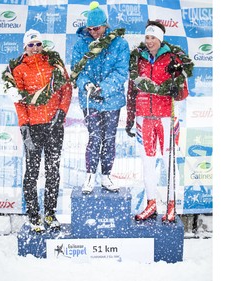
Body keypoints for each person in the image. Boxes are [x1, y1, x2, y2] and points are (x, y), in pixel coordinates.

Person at [4, 29, 72, 232]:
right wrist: (24, 126)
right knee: (32, 172)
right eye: (31, 45)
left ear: (42, 45)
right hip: (33, 127)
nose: (35, 48)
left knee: (53, 171)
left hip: (54, 125)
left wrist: (61, 112)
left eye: (38, 44)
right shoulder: (18, 70)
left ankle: (50, 214)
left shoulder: (53, 63)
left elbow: (66, 88)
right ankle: (34, 216)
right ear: (25, 47)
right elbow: (19, 102)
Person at [126, 20, 193, 222]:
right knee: (147, 163)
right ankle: (151, 203)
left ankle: (172, 204)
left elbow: (183, 93)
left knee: (168, 161)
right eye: (147, 37)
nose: (149, 41)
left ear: (160, 38)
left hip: (166, 116)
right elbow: (132, 91)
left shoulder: (173, 58)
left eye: (153, 37)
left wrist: (177, 86)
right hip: (144, 116)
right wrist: (130, 118)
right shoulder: (138, 58)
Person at [71, 1, 130, 194]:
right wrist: (87, 85)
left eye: (96, 28)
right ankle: (89, 176)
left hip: (112, 99)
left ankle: (106, 175)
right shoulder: (81, 43)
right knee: (95, 137)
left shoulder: (120, 43)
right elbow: (77, 69)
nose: (93, 32)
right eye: (89, 28)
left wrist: (102, 89)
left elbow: (121, 72)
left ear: (105, 25)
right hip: (90, 100)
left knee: (109, 138)